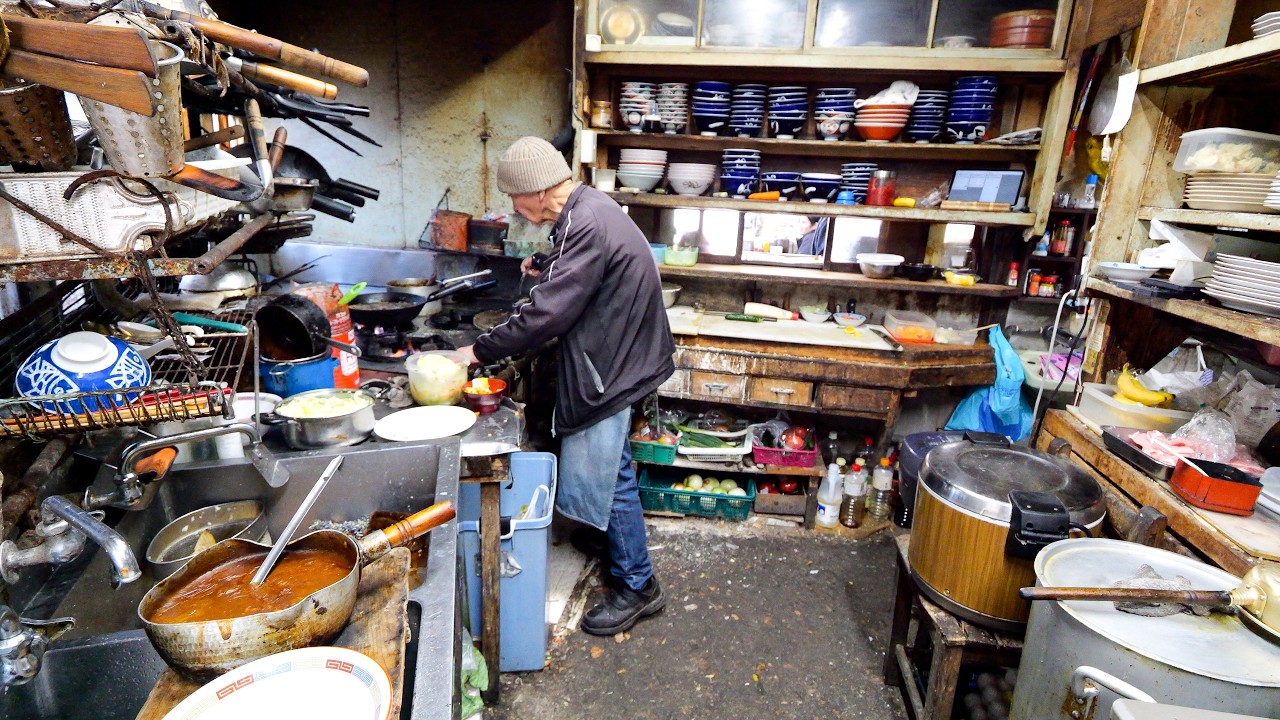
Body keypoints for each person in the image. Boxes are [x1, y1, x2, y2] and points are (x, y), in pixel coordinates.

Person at [457, 136, 675, 636]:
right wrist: (547, 268)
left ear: (534, 192)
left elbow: (548, 313)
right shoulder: (584, 209)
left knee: (610, 470)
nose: (513, 208)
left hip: (616, 363)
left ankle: (639, 586)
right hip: (628, 352)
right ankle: (614, 539)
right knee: (609, 463)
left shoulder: (588, 222)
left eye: (513, 197)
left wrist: (476, 351)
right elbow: (577, 273)